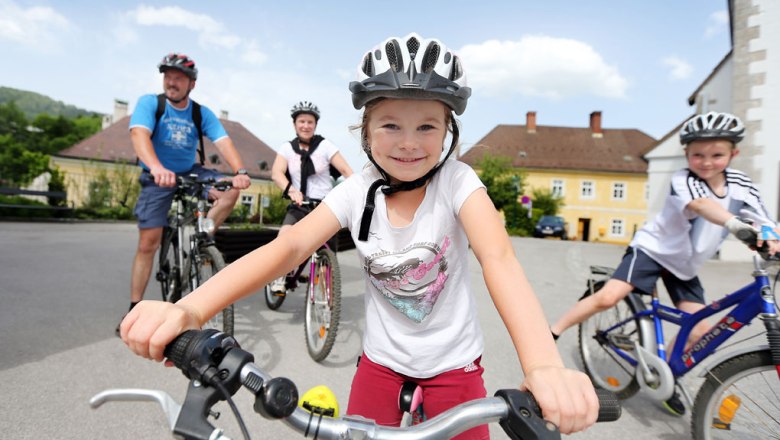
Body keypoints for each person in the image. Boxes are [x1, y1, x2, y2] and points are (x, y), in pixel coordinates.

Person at [120, 34, 598, 438]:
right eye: (391, 124)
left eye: (427, 126)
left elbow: (500, 260)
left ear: (449, 131)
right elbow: (288, 246)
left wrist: (544, 366)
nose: (409, 142)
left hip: (456, 368)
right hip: (380, 365)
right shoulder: (357, 189)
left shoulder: (459, 182)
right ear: (365, 130)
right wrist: (190, 307)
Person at [550, 110, 780, 416]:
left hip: (684, 265)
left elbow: (765, 221)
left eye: (717, 154)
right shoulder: (683, 179)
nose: (707, 162)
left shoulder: (741, 183)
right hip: (652, 251)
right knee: (609, 296)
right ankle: (552, 331)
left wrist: (771, 239)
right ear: (686, 154)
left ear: (733, 153)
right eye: (698, 154)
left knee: (699, 330)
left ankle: (666, 375)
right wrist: (735, 225)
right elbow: (702, 205)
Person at [117, 53, 251, 335]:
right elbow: (139, 135)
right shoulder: (151, 104)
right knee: (148, 244)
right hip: (158, 175)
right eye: (168, 76)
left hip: (191, 170)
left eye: (178, 77)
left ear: (192, 84)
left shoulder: (200, 113)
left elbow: (223, 141)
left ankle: (203, 238)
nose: (171, 82)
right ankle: (133, 307)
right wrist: (155, 167)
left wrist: (241, 170)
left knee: (230, 191)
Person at [268, 101, 353, 294]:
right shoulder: (287, 148)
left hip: (325, 205)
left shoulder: (325, 146)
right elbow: (277, 173)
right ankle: (279, 277)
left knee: (327, 254)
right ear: (294, 124)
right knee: (284, 239)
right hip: (300, 202)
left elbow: (346, 170)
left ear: (315, 125)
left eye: (310, 122)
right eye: (301, 121)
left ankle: (325, 303)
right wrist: (291, 190)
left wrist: (358, 190)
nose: (306, 125)